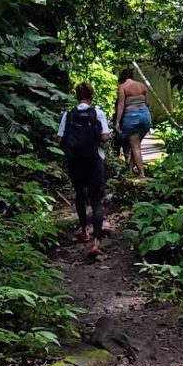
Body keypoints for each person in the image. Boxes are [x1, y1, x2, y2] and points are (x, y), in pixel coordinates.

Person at [57, 81, 110, 256]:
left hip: (75, 162)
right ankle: (96, 243)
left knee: (80, 195)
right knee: (96, 201)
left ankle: (84, 231)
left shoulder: (68, 115)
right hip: (94, 161)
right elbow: (104, 137)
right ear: (92, 96)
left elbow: (59, 139)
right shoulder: (98, 113)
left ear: (76, 96)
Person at [115, 66, 152, 179]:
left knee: (135, 146)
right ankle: (130, 170)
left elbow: (121, 105)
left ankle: (141, 173)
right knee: (135, 144)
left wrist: (117, 122)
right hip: (145, 117)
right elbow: (148, 102)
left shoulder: (122, 87)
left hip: (132, 118)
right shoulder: (142, 85)